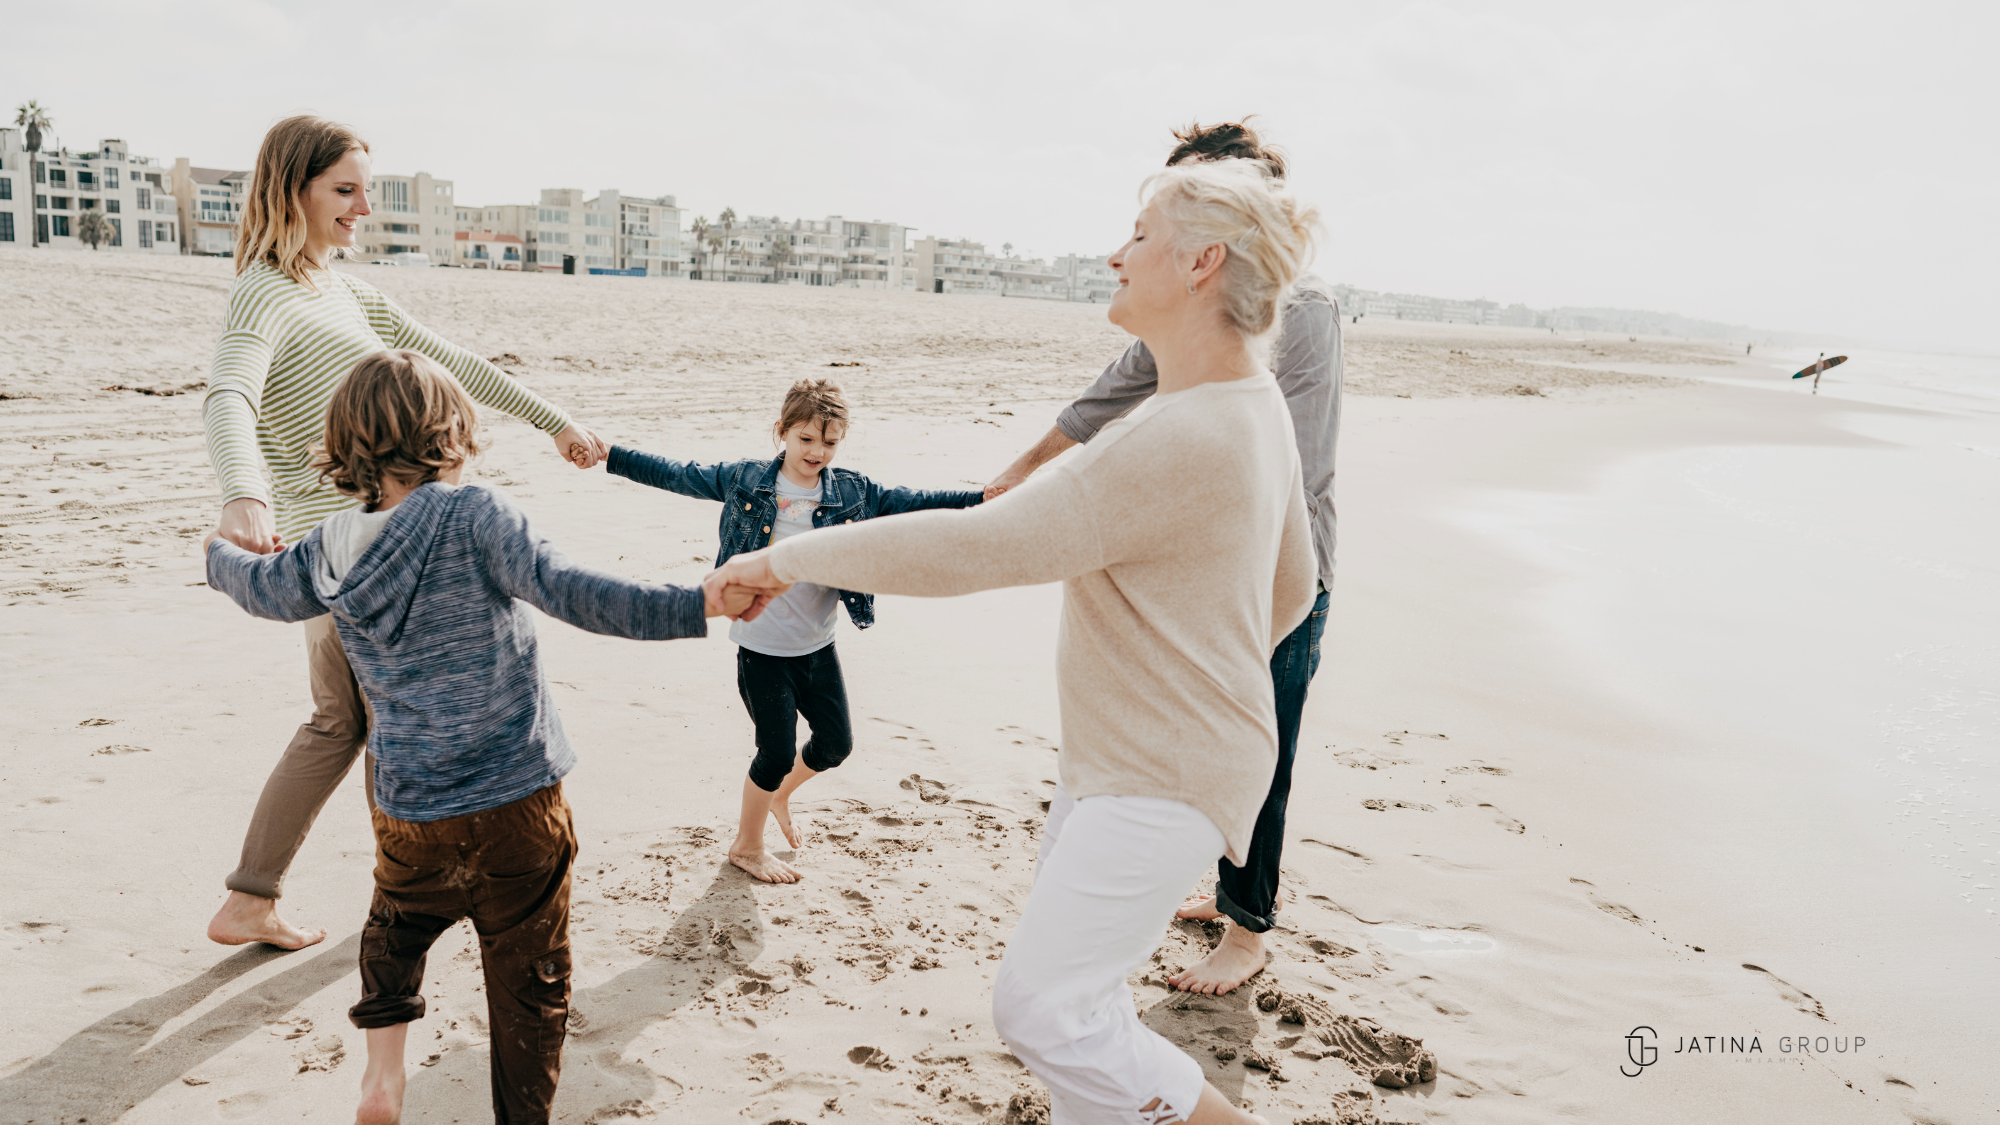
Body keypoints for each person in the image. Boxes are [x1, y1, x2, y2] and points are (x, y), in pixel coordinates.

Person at [712, 158, 1319, 1125]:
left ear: (1203, 261)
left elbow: (978, 545)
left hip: (1163, 774)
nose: (1115, 254)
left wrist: (783, 561)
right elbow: (1293, 591)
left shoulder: (1181, 431)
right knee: (1088, 999)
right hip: (1143, 760)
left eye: (1139, 235)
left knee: (1042, 1011)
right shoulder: (1251, 405)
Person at [203, 350, 750, 1125]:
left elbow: (260, 589)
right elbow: (577, 593)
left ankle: (383, 1074)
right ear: (451, 436)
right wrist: (696, 603)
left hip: (410, 809)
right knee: (531, 988)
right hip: (517, 803)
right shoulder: (475, 516)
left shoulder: (327, 546)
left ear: (348, 442)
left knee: (395, 927)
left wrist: (217, 556)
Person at [201, 115, 608, 952]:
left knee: (359, 719)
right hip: (345, 552)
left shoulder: (343, 290)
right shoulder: (264, 289)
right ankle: (353, 894)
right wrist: (243, 494)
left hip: (383, 543)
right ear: (293, 190)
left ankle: (327, 891)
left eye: (367, 192)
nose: (362, 210)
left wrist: (554, 421)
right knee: (351, 721)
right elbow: (229, 394)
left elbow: (452, 361)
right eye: (344, 191)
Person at [985, 119, 1340, 996]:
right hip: (1214, 561)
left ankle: (1249, 926)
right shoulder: (1197, 302)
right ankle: (1217, 882)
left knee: (1263, 741)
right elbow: (1119, 383)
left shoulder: (1294, 303)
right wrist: (1025, 468)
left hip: (1280, 565)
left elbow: (1276, 457)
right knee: (1191, 735)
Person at [599, 379, 982, 883]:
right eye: (806, 439)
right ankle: (747, 844)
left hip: (818, 647)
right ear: (782, 432)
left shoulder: (852, 492)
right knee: (776, 751)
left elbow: (913, 501)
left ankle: (777, 794)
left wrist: (981, 497)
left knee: (834, 746)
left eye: (829, 442)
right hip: (761, 648)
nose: (817, 452)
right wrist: (610, 455)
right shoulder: (745, 480)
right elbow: (677, 474)